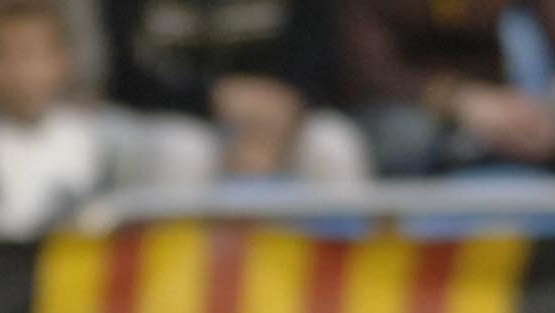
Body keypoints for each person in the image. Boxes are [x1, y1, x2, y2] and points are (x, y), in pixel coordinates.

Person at [339, 0, 555, 177]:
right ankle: (399, 270)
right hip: (416, 110)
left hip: (507, 121)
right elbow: (368, 74)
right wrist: (461, 102)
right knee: (403, 140)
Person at [97, 0, 371, 184]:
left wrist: (277, 116)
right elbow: (121, 76)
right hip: (166, 115)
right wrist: (211, 99)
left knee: (334, 143)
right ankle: (178, 270)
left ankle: (336, 268)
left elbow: (320, 57)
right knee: (183, 149)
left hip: (278, 112)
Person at [0, 0, 105, 237]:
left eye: (30, 55)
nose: (19, 72)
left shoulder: (88, 137)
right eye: (4, 56)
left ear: (61, 62)